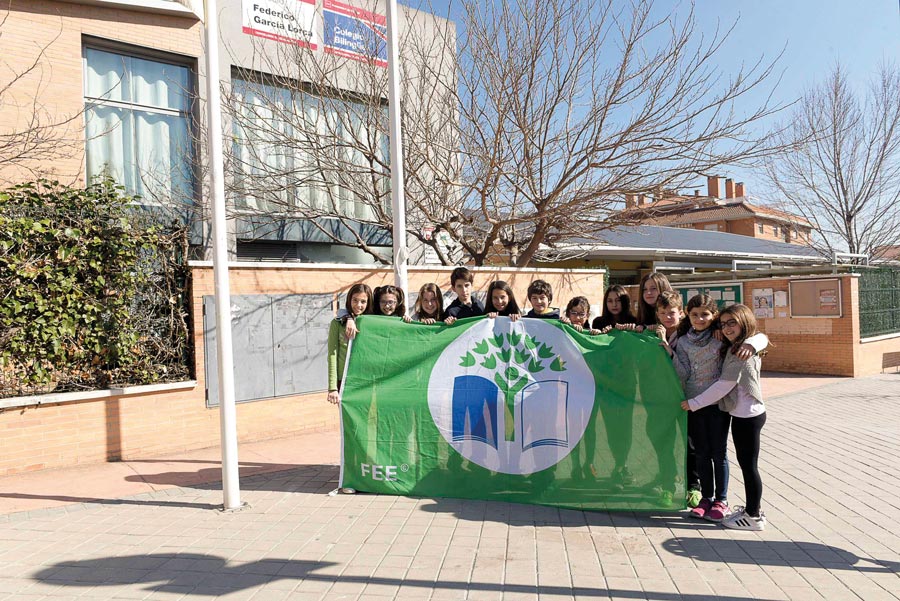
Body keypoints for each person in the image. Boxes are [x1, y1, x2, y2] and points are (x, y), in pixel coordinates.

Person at [673, 295, 768, 521]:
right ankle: (706, 497)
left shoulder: (724, 341)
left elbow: (760, 337)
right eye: (694, 314)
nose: (699, 319)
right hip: (697, 404)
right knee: (702, 454)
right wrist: (670, 353)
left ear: (712, 316)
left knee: (719, 453)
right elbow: (683, 371)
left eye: (705, 314)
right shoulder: (685, 341)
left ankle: (722, 500)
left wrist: (751, 343)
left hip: (720, 406)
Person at [327, 283, 373, 405]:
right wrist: (332, 387)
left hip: (366, 381)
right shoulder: (337, 324)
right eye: (355, 300)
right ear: (349, 300)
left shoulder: (372, 323)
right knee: (347, 421)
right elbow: (332, 355)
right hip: (344, 381)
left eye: (363, 301)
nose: (358, 305)